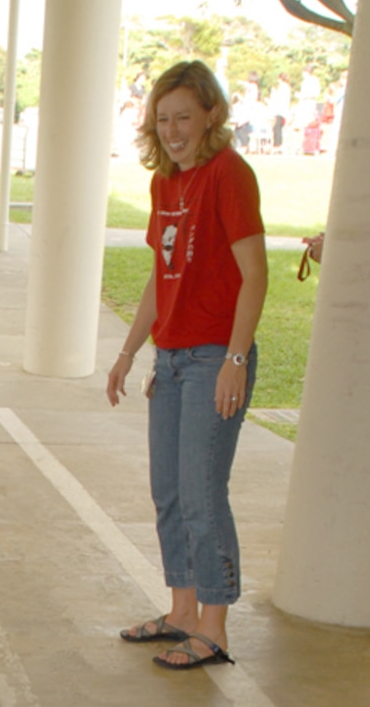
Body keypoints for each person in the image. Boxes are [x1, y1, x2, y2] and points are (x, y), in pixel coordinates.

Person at [106, 59, 267, 670]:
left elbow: (256, 276)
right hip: (171, 359)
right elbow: (159, 277)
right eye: (163, 119)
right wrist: (128, 352)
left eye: (184, 118)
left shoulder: (228, 174)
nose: (173, 131)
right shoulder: (164, 184)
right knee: (168, 492)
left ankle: (215, 625)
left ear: (212, 115)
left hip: (213, 359)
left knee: (203, 493)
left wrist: (234, 360)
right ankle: (180, 610)